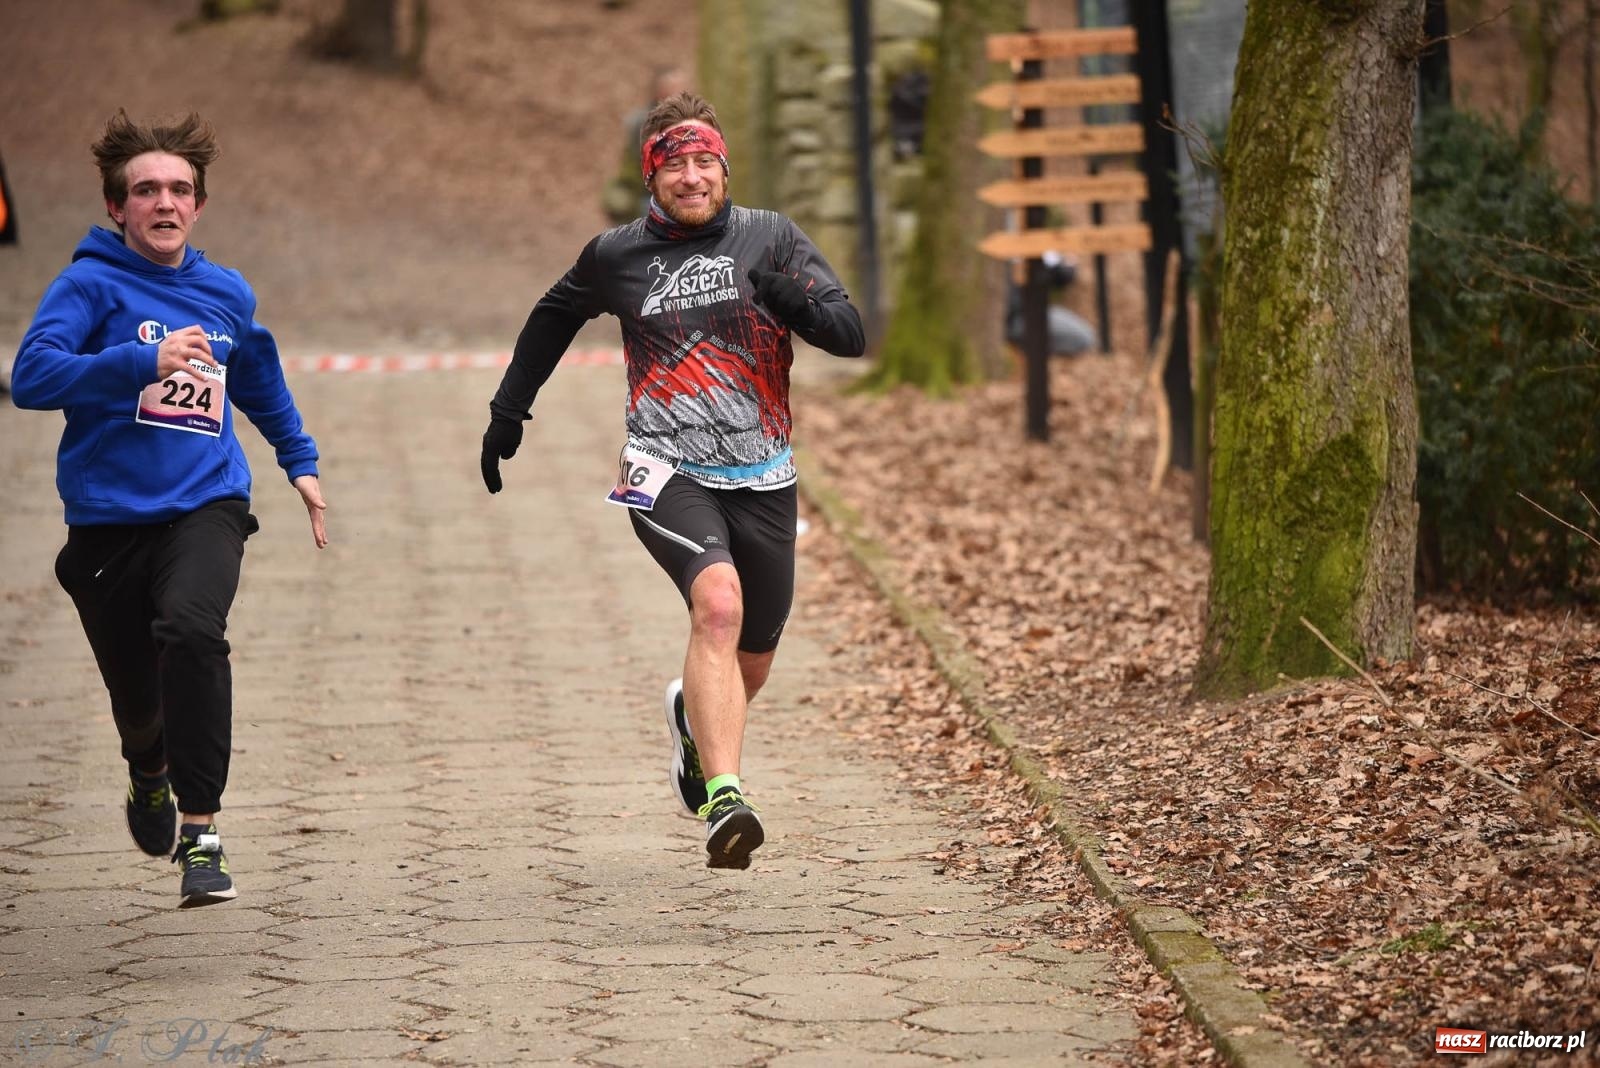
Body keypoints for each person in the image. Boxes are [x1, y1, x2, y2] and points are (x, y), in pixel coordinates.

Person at [482, 92, 865, 870]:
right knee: (717, 607)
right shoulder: (616, 256)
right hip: (664, 469)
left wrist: (801, 305)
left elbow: (852, 335)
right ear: (650, 177)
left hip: (765, 473)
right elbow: (552, 317)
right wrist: (508, 411)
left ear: (723, 168)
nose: (691, 177)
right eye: (674, 165)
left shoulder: (772, 238)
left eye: (704, 162)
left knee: (754, 652)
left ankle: (695, 728)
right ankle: (726, 798)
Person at [9, 110, 328, 908]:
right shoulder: (87, 286)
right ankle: (146, 768)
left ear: (199, 206)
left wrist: (300, 462)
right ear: (116, 207)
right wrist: (139, 359)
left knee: (192, 630)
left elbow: (257, 376)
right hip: (107, 522)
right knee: (136, 699)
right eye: (145, 189)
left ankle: (203, 832)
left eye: (180, 189)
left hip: (205, 503)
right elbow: (34, 377)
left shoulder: (224, 293)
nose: (164, 202)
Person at [600, 66, 691, 226]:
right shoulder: (642, 122)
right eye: (672, 88)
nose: (678, 93)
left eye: (681, 87)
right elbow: (640, 163)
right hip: (649, 194)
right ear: (659, 91)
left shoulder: (693, 121)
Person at [1005, 249, 1096, 357]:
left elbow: (1061, 276)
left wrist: (1068, 265)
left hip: (1031, 313)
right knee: (1084, 338)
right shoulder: (1009, 249)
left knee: (1087, 336)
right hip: (1017, 320)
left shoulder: (1036, 248)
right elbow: (1061, 274)